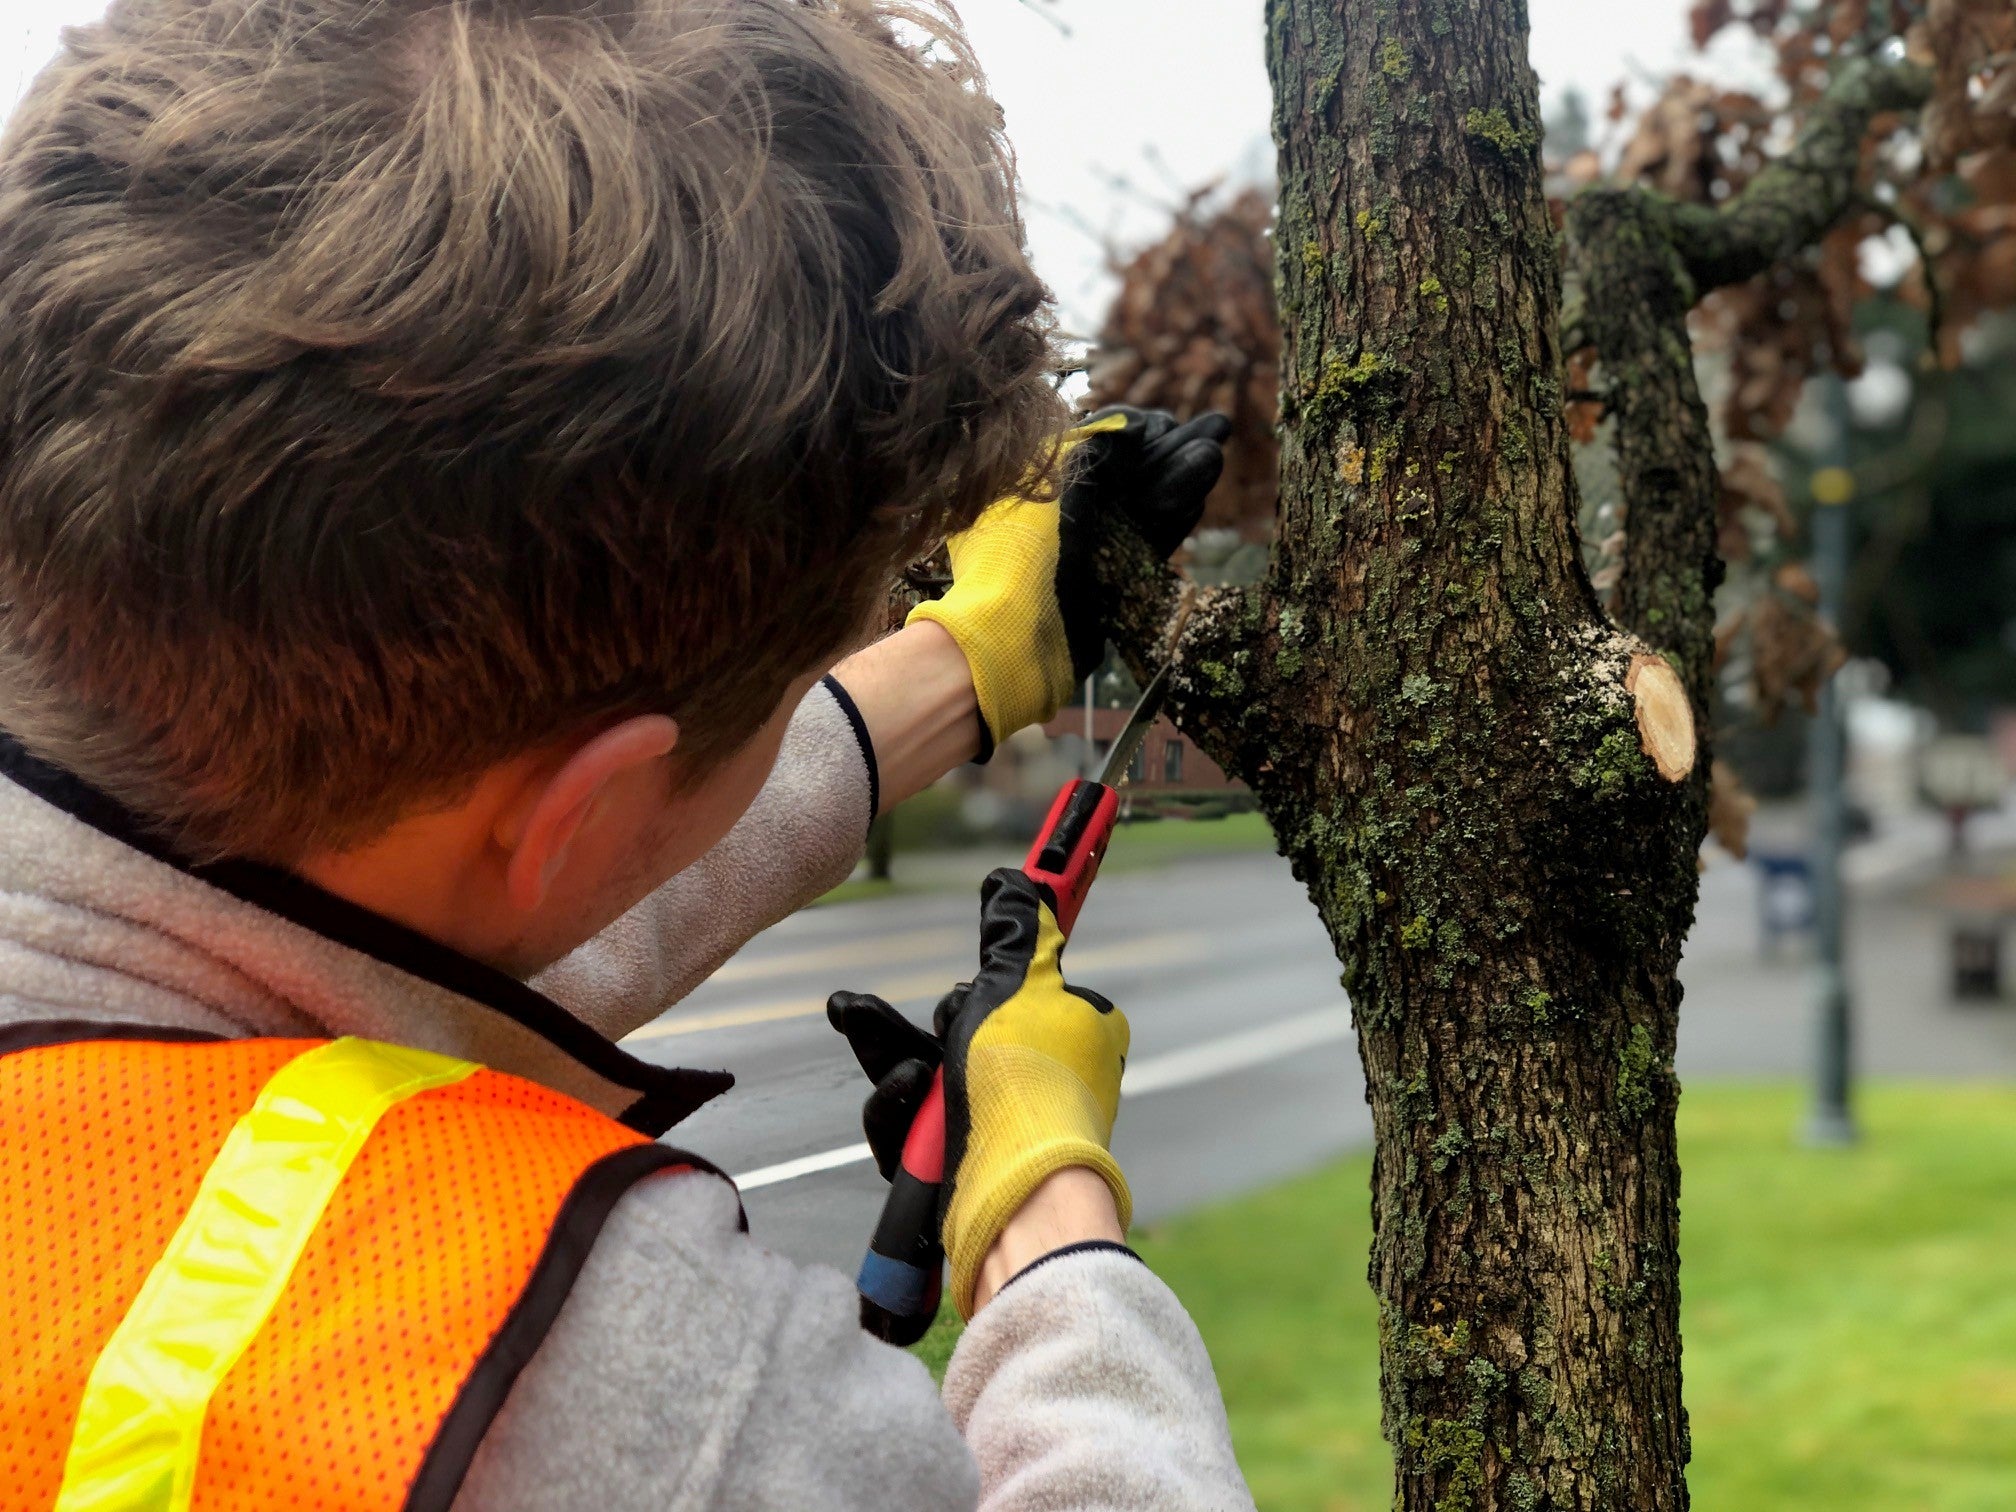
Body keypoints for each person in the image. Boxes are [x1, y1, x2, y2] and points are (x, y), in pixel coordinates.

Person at [0, 1, 1252, 1508]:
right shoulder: (624, 1395)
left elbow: (356, 918)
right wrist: (1045, 1199)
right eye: (801, 684)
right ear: (573, 813)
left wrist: (949, 676)